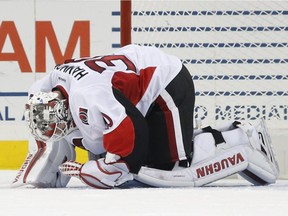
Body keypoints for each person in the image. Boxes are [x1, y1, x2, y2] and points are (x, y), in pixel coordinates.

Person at [13, 45, 279, 189]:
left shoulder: (90, 97)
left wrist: (92, 170)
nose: (54, 128)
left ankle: (243, 139)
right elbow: (58, 138)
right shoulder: (43, 90)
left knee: (169, 168)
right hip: (131, 90)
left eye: (56, 123)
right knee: (130, 162)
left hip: (164, 82)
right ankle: (185, 138)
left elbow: (128, 149)